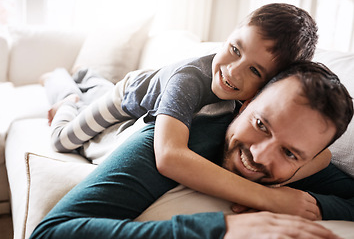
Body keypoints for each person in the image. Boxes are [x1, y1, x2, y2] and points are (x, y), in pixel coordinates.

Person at [42, 3, 328, 216]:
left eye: (255, 70)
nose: (232, 71)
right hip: (129, 94)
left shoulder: (261, 105)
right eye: (235, 49)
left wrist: (279, 181)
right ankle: (66, 93)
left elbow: (324, 156)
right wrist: (268, 197)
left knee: (95, 87)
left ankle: (87, 78)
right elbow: (169, 155)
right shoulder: (189, 79)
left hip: (151, 92)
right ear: (229, 36)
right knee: (63, 138)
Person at [30, 61, 353, 239]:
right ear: (246, 105)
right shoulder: (181, 140)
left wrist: (314, 205)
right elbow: (53, 232)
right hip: (114, 124)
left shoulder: (309, 157)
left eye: (291, 154)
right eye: (261, 125)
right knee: (80, 97)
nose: (260, 156)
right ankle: (63, 80)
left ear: (312, 159)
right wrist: (220, 227)